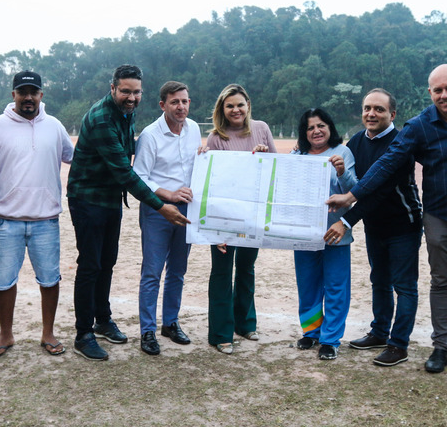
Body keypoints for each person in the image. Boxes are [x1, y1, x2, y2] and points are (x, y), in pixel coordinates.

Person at [327, 64, 447, 380]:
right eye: (438, 90)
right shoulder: (420, 126)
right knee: (439, 282)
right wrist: (352, 196)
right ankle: (440, 348)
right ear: (430, 93)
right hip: (440, 217)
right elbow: (385, 166)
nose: (445, 94)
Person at [67, 64, 190, 361]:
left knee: (107, 261)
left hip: (109, 199)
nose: (131, 97)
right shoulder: (101, 118)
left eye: (136, 92)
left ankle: (102, 319)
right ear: (113, 89)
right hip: (87, 199)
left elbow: (127, 158)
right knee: (90, 265)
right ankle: (83, 334)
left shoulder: (126, 113)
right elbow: (125, 172)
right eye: (125, 91)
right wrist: (161, 206)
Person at [0, 71, 74, 359]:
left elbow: (75, 158)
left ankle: (48, 333)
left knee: (49, 279)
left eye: (34, 92)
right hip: (7, 221)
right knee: (4, 281)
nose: (28, 97)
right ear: (14, 95)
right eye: (23, 92)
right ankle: (6, 335)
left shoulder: (54, 126)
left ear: (41, 95)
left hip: (46, 221)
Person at [324, 89, 422, 366]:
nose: (371, 113)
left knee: (404, 286)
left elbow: (377, 191)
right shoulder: (356, 141)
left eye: (379, 109)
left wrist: (346, 221)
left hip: (404, 224)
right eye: (367, 108)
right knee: (379, 281)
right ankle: (380, 332)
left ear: (392, 114)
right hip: (374, 224)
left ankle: (399, 344)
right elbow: (354, 185)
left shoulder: (401, 142)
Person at [132, 81, 203, 356]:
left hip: (186, 210)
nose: (181, 106)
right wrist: (169, 196)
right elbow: (139, 177)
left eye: (185, 101)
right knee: (152, 272)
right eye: (175, 102)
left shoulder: (195, 129)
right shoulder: (150, 135)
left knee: (178, 271)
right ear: (163, 105)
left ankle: (170, 323)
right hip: (158, 210)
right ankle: (147, 331)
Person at [205, 84, 276, 354]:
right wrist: (217, 228)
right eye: (230, 105)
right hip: (225, 215)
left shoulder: (262, 128)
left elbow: (274, 169)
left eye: (240, 104)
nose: (236, 110)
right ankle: (221, 333)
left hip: (253, 213)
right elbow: (214, 182)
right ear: (222, 109)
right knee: (222, 272)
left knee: (247, 267)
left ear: (248, 105)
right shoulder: (216, 137)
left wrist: (264, 157)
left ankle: (245, 323)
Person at [293, 108, 357, 360]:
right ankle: (311, 332)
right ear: (304, 133)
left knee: (335, 286)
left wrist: (342, 171)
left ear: (330, 128)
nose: (316, 131)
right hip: (304, 233)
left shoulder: (342, 153)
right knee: (307, 285)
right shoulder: (297, 156)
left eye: (321, 125)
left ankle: (330, 339)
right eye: (310, 128)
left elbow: (354, 191)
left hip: (336, 232)